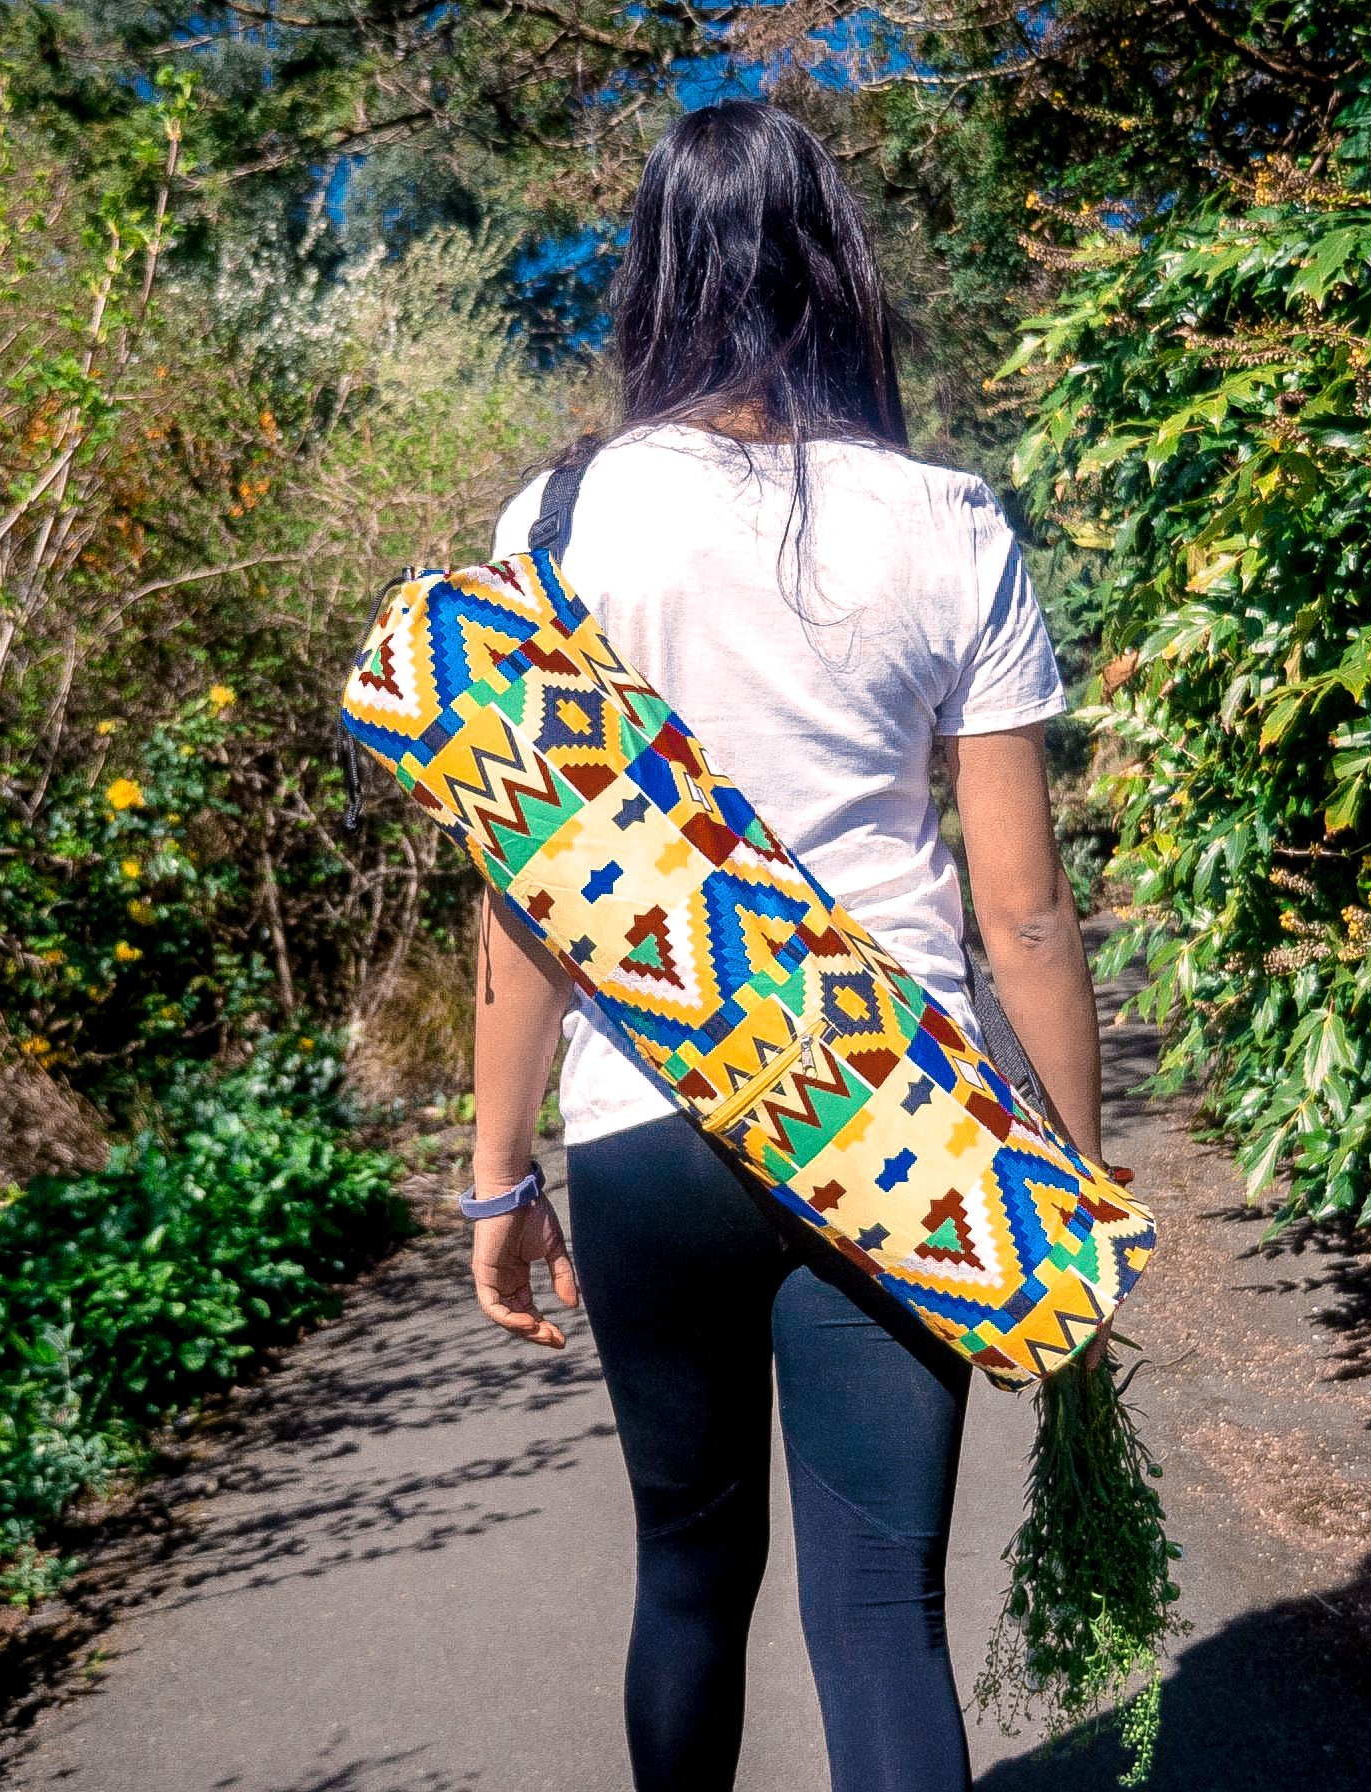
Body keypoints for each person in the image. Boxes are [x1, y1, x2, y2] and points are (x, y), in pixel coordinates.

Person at [464, 99, 1111, 1792]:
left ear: (655, 276)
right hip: (895, 1117)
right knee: (879, 1612)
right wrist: (1073, 1189)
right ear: (841, 267)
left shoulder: (558, 522)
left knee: (687, 1579)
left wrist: (493, 1176)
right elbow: (1023, 907)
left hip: (644, 1120)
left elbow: (527, 896)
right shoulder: (952, 522)